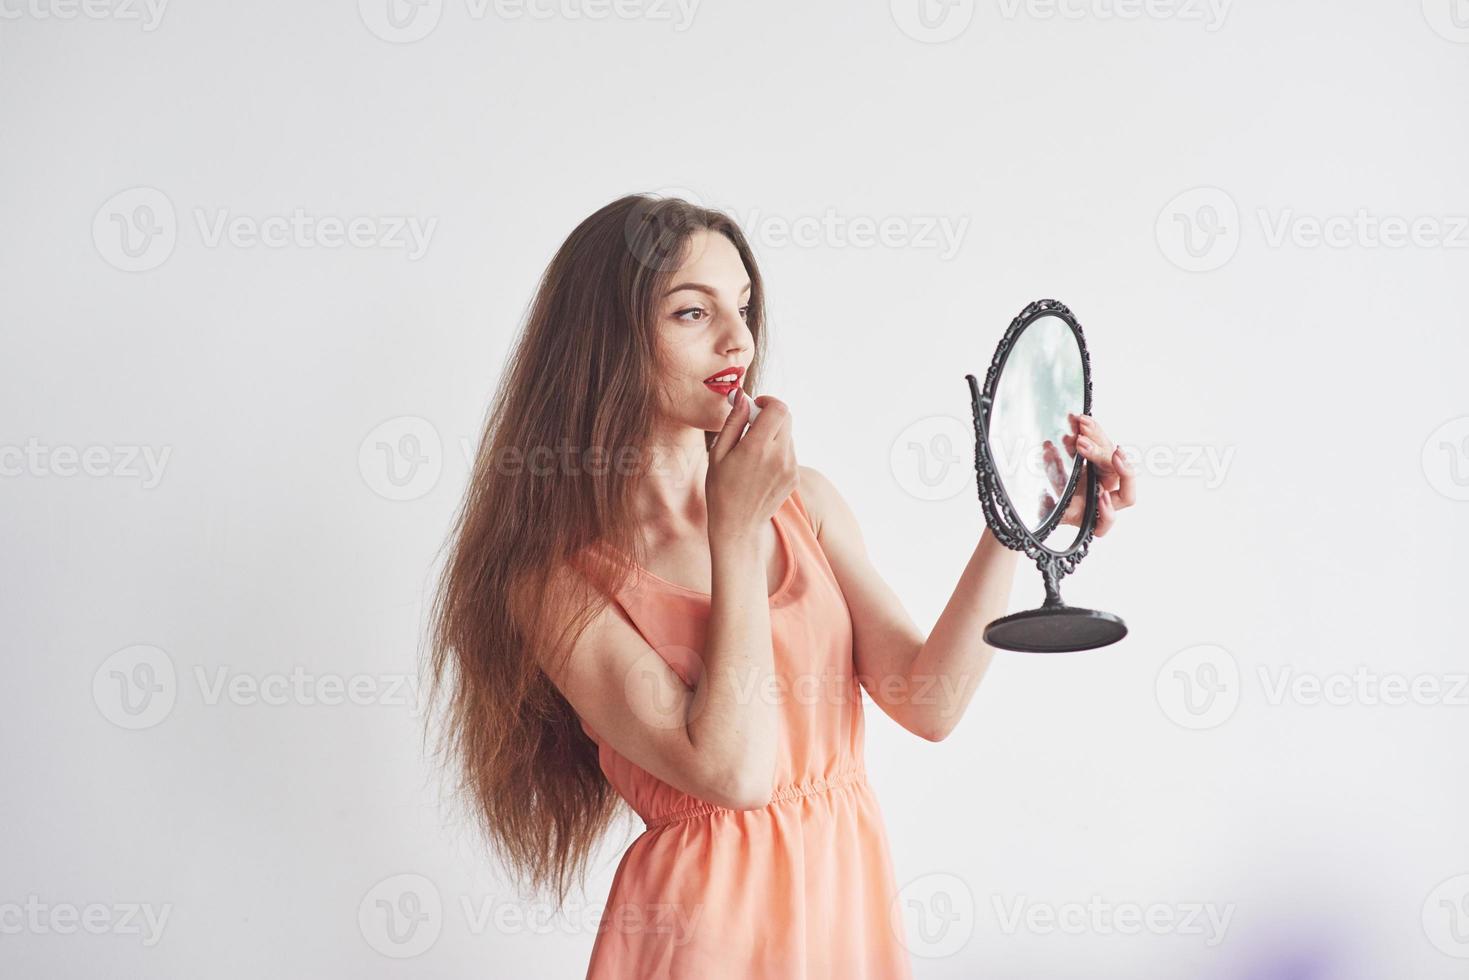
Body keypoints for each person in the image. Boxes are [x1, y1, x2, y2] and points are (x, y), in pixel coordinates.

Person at [424, 193, 1136, 978]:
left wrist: (1016, 519)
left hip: (840, 909)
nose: (737, 338)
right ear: (606, 342)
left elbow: (927, 700)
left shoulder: (804, 504)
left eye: (744, 306)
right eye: (691, 314)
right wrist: (732, 531)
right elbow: (732, 773)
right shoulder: (557, 586)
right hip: (702, 939)